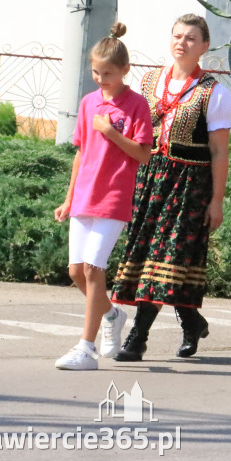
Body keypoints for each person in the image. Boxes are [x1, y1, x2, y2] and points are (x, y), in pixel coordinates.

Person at [111, 14, 231, 361]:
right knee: (153, 259)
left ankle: (138, 336)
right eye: (177, 36)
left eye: (191, 38)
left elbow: (219, 151)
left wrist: (217, 201)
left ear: (205, 46)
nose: (182, 42)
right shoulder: (150, 81)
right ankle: (191, 321)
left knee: (170, 258)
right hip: (150, 180)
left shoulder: (214, 92)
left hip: (190, 184)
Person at [52, 23, 153, 370]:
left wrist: (111, 132)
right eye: (95, 72)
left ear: (125, 70)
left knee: (95, 268)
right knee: (77, 272)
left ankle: (86, 348)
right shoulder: (88, 102)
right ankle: (110, 313)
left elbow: (143, 154)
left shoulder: (137, 105)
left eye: (107, 73)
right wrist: (68, 198)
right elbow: (80, 152)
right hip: (84, 196)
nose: (100, 78)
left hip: (113, 196)